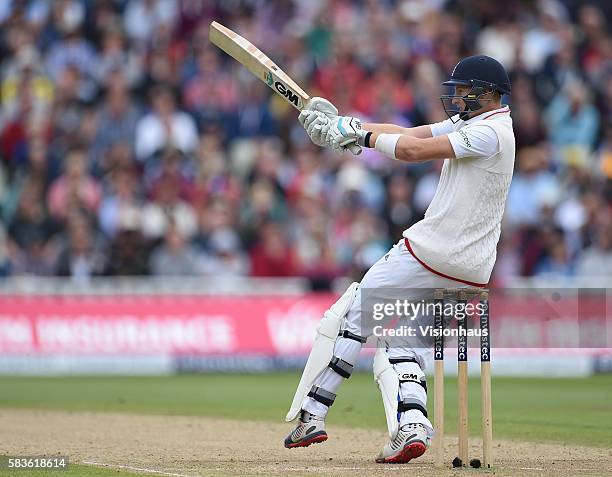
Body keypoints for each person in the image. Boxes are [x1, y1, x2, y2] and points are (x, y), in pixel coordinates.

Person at [284, 56, 515, 464]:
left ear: (487, 92)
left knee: (352, 317)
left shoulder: (491, 133)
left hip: (430, 254)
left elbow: (411, 150)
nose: (457, 96)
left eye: (464, 89)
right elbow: (405, 132)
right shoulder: (478, 125)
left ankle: (312, 416)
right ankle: (411, 426)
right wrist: (351, 128)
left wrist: (361, 138)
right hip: (474, 272)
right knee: (404, 343)